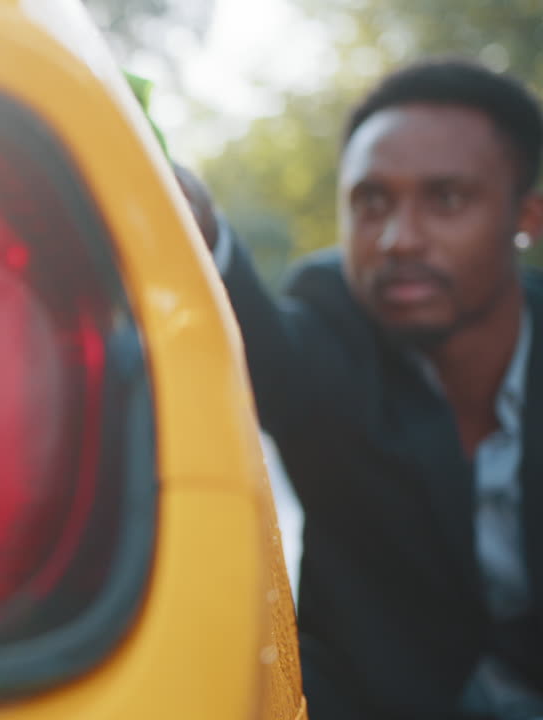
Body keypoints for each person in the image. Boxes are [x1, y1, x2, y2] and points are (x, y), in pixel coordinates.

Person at [176, 59, 543, 720]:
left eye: (447, 198)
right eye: (371, 202)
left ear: (527, 216)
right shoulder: (332, 318)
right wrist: (197, 225)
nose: (399, 239)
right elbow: (270, 360)